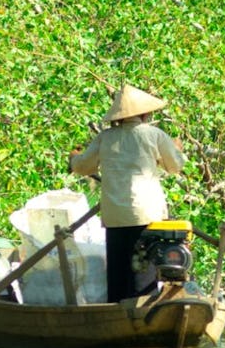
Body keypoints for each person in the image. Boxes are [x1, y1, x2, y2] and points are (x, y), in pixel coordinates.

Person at [69, 85, 187, 302]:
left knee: (118, 272)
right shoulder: (154, 135)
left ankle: (116, 310)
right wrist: (177, 150)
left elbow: (83, 166)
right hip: (147, 215)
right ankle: (142, 311)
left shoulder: (106, 138)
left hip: (115, 216)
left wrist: (74, 158)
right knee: (143, 272)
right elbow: (175, 166)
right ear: (145, 114)